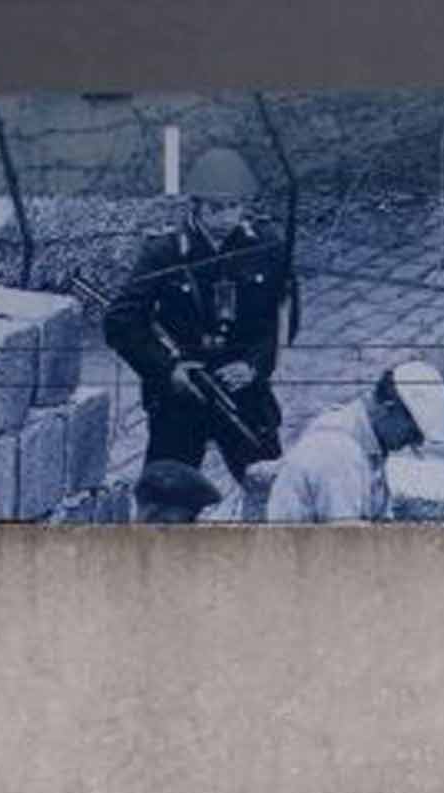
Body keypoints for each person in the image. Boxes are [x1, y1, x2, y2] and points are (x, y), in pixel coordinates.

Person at [104, 145, 296, 520]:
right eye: (215, 207)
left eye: (234, 206)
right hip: (182, 396)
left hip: (242, 395)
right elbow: (121, 323)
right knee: (165, 504)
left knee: (275, 493)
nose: (225, 217)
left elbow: (276, 321)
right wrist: (167, 370)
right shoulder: (165, 253)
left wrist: (254, 366)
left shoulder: (268, 246)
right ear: (195, 206)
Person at [266, 360, 444, 523]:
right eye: (412, 433)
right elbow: (347, 547)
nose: (414, 444)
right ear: (389, 409)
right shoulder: (339, 453)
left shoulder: (363, 437)